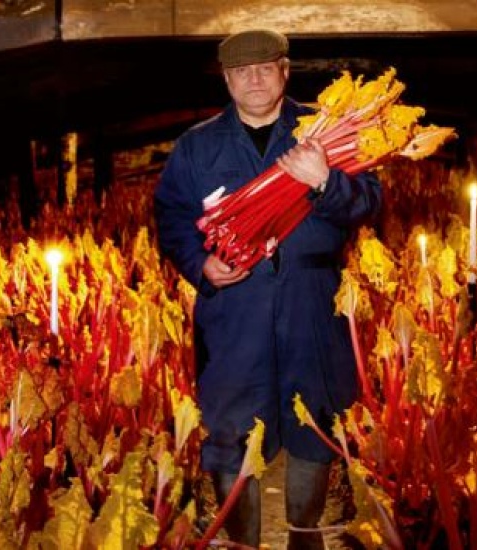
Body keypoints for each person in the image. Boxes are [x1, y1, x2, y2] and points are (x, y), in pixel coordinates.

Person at [154, 29, 382, 549]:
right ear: (227, 79)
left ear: (284, 71)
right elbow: (171, 219)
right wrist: (200, 264)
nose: (253, 79)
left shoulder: (326, 131)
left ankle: (306, 535)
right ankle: (241, 542)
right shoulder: (197, 146)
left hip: (312, 303)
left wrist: (326, 181)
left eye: (264, 68)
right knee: (233, 430)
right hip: (234, 310)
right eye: (241, 71)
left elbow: (369, 202)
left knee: (315, 423)